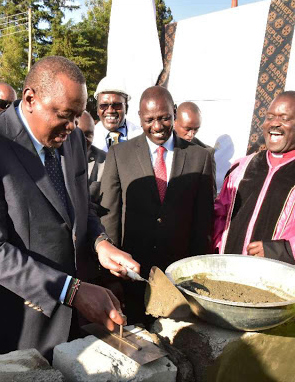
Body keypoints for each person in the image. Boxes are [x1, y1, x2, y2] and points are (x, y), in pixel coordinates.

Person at [0, 56, 140, 361]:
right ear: (30, 99)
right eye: (64, 115)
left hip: (70, 321)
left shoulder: (73, 139)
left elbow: (83, 209)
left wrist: (100, 243)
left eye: (77, 116)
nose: (71, 126)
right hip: (15, 325)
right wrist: (72, 291)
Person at [99, 85, 215, 324]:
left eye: (164, 118)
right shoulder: (120, 154)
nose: (158, 126)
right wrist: (112, 276)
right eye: (150, 119)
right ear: (140, 119)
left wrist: (195, 271)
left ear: (174, 112)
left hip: (179, 276)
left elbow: (202, 220)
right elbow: (109, 214)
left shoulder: (200, 156)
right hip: (132, 273)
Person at [213, 91, 295, 265]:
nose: (275, 123)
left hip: (279, 284)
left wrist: (280, 250)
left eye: (284, 118)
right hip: (226, 275)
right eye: (270, 117)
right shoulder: (242, 168)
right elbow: (218, 218)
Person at [92, 76, 143, 152]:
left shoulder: (141, 136)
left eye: (116, 105)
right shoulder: (88, 138)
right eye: (104, 105)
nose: (110, 110)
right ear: (97, 109)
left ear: (126, 108)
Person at [174, 101, 217, 193]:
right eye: (187, 129)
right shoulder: (158, 147)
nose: (191, 134)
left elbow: (209, 194)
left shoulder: (206, 153)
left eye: (196, 129)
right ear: (174, 122)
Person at [77, 111, 106, 205]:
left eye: (88, 134)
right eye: (78, 133)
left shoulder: (105, 161)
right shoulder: (54, 158)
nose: (83, 139)